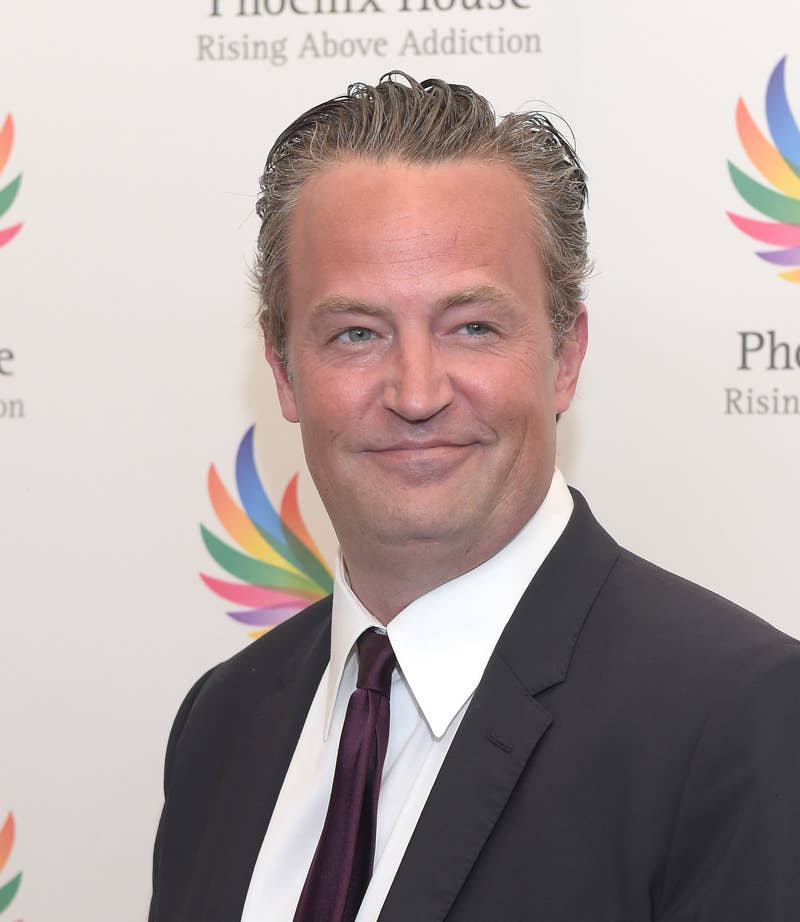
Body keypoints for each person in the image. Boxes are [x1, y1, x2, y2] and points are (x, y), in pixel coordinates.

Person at [149, 73, 800, 922]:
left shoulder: (741, 723)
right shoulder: (222, 722)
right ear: (283, 371)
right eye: (357, 333)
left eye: (472, 327)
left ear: (565, 354)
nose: (416, 392)